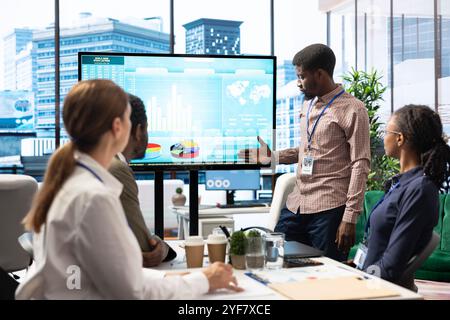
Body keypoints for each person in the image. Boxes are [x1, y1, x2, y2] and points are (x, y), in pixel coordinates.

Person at [16, 79, 241, 299]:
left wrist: (181, 279)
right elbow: (132, 293)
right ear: (118, 127)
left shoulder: (72, 180)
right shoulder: (94, 197)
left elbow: (113, 273)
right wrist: (203, 281)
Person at [239, 44, 370, 261]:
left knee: (326, 275)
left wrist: (350, 217)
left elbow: (361, 163)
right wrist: (273, 158)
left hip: (329, 208)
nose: (298, 83)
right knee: (275, 260)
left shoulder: (353, 109)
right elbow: (308, 149)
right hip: (296, 204)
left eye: (301, 77)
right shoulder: (308, 104)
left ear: (319, 74)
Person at [355, 105, 449, 284]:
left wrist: (360, 282)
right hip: (367, 276)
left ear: (399, 138)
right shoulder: (400, 184)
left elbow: (391, 266)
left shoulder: (420, 189)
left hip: (377, 286)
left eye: (386, 131)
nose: (383, 137)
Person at [109, 94, 176, 267]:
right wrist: (162, 248)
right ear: (138, 131)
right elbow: (146, 249)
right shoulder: (116, 169)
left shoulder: (88, 163)